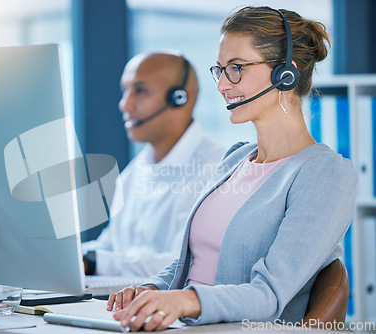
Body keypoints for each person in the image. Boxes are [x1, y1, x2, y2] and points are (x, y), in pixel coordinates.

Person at [107, 6, 357, 332]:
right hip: (182, 324)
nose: (222, 84)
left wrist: (185, 301)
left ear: (286, 73)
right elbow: (190, 262)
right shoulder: (235, 159)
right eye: (221, 69)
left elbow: (269, 294)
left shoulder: (324, 173)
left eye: (236, 68)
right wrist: (151, 290)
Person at [81, 52, 226, 277]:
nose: (124, 104)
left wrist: (93, 263)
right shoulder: (134, 171)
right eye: (125, 90)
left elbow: (185, 264)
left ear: (180, 98)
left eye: (140, 91)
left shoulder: (215, 171)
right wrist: (73, 257)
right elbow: (110, 246)